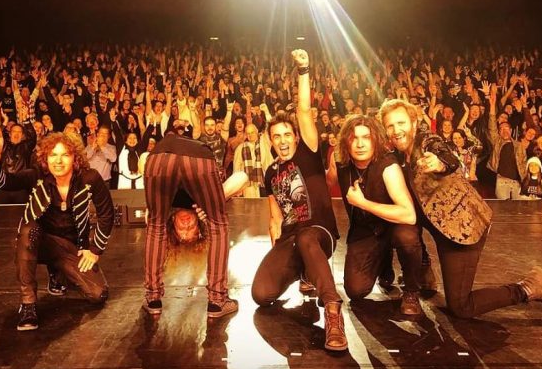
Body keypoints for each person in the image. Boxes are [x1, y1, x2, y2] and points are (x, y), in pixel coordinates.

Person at [380, 98, 542, 318]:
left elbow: (447, 157)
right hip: (438, 227)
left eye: (401, 123)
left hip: (463, 228)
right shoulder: (399, 157)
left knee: (461, 306)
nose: (396, 130)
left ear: (414, 122)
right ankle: (424, 267)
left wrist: (439, 163)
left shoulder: (427, 141)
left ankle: (529, 287)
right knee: (403, 224)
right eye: (390, 125)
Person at [251, 49, 347, 352]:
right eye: (276, 136)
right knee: (261, 294)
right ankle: (304, 271)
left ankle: (332, 310)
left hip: (319, 233)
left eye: (286, 134)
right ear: (271, 141)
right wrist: (277, 254)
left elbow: (304, 111)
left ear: (295, 136)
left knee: (306, 238)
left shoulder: (308, 152)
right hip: (291, 238)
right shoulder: (270, 172)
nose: (282, 140)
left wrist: (303, 70)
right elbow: (275, 219)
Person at [0, 129, 113, 331]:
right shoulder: (37, 175)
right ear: (45, 158)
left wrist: (95, 250)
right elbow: (4, 182)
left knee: (98, 294)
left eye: (65, 155)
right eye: (53, 155)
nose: (58, 161)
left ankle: (58, 271)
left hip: (70, 246)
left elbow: (106, 213)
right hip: (38, 241)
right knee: (29, 230)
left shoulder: (90, 178)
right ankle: (28, 303)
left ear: (75, 157)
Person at [326, 114, 422, 315]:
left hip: (394, 225)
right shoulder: (340, 161)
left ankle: (411, 291)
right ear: (346, 142)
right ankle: (383, 262)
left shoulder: (388, 166)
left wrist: (363, 203)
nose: (360, 144)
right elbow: (326, 182)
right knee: (355, 290)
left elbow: (409, 215)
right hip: (365, 230)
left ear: (375, 139)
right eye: (354, 138)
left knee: (407, 237)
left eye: (366, 138)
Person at [143, 131, 243, 318]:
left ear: (173, 226)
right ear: (199, 225)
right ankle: (218, 300)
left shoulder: (166, 212)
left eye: (182, 230)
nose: (186, 225)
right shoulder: (201, 209)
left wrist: (150, 206)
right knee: (218, 224)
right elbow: (243, 177)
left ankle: (152, 297)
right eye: (191, 229)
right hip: (197, 158)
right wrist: (214, 204)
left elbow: (143, 159)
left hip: (160, 157)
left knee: (155, 225)